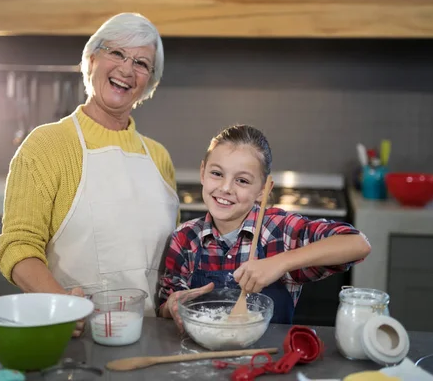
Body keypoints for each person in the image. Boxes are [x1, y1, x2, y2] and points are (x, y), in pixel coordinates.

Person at [0, 13, 179, 336]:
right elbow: (18, 247)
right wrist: (62, 307)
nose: (126, 69)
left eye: (141, 63)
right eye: (117, 53)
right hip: (71, 339)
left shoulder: (160, 159)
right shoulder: (46, 146)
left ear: (149, 82)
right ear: (92, 59)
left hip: (148, 339)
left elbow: (167, 268)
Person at [158, 125, 371, 330]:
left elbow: (357, 244)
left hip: (268, 359)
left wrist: (279, 263)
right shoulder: (184, 239)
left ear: (263, 190)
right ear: (203, 172)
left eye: (241, 180)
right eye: (217, 173)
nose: (225, 188)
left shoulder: (280, 231)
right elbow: (167, 308)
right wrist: (171, 306)